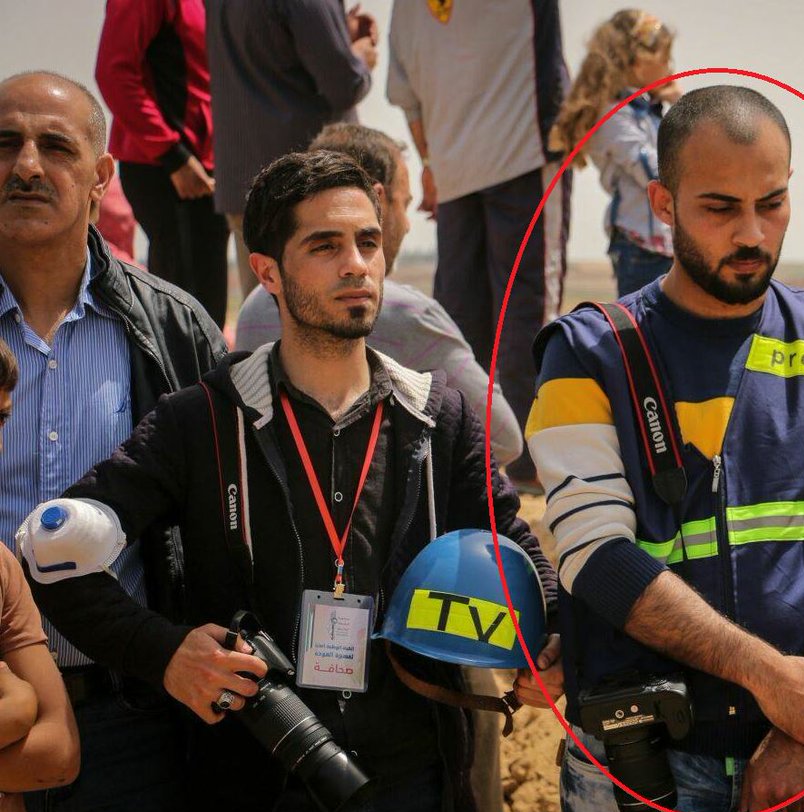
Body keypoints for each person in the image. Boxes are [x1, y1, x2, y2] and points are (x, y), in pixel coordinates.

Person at [26, 150, 561, 812]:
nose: (356, 265)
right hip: (258, 789)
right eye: (325, 246)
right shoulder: (202, 420)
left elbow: (508, 539)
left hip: (415, 785)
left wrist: (550, 634)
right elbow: (54, 554)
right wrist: (165, 654)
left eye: (368, 242)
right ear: (268, 272)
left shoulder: (439, 416)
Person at [527, 85, 804, 812]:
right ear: (662, 202)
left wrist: (802, 728)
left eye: (771, 203)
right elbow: (595, 552)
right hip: (642, 767)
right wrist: (773, 680)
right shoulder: (586, 352)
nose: (752, 233)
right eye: (719, 208)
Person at [0, 70, 226, 812]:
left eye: (55, 146)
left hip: (133, 724)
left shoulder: (174, 328)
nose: (26, 165)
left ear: (101, 178)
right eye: (5, 143)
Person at [237, 123, 524, 468]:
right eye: (405, 203)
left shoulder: (254, 304)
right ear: (379, 199)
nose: (407, 224)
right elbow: (502, 438)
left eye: (366, 243)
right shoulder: (409, 314)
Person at [387, 0, 571, 492]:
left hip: (452, 166)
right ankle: (528, 462)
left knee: (460, 321)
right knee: (528, 311)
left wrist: (431, 163)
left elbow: (406, 97)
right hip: (524, 156)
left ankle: (464, 456)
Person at [207, 0, 377, 297]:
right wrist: (360, 56)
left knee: (264, 314)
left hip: (246, 183)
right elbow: (344, 84)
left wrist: (334, 33)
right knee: (336, 311)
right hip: (311, 193)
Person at [95, 0, 230, 326]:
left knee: (207, 309)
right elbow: (114, 73)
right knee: (186, 313)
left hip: (207, 165)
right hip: (169, 169)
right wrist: (173, 156)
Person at [0, 339, 80, 812]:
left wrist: (20, 701)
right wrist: (17, 701)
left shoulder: (2, 566)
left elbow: (56, 753)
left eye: (0, 420)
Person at [553, 10, 678, 297]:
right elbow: (653, 170)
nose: (670, 68)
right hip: (641, 247)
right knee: (644, 323)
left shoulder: (647, 111)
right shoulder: (613, 116)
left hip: (664, 244)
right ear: (639, 62)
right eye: (664, 59)